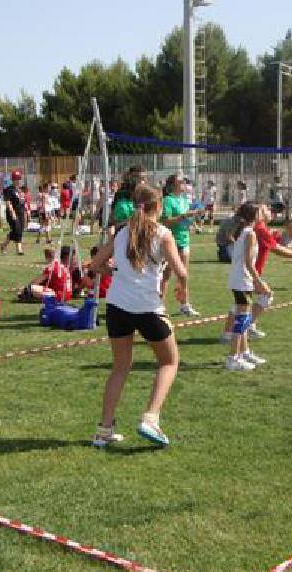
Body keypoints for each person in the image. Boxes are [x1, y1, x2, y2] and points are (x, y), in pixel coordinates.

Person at [88, 185, 187, 448]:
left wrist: (113, 272)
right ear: (159, 207)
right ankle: (151, 418)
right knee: (169, 361)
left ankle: (104, 430)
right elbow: (182, 271)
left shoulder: (122, 232)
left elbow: (95, 265)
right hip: (147, 308)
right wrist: (181, 288)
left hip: (118, 307)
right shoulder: (163, 234)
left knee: (120, 367)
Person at [219, 204, 292, 343]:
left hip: (244, 273)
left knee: (241, 303)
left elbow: (275, 242)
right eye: (265, 210)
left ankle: (232, 333)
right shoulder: (257, 229)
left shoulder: (257, 229)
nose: (270, 212)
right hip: (249, 273)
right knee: (263, 296)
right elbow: (276, 248)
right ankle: (241, 332)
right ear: (257, 215)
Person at [225, 202, 271, 371]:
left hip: (238, 279)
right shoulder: (250, 233)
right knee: (242, 320)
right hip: (242, 280)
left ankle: (244, 352)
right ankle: (233, 358)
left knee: (242, 318)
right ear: (254, 215)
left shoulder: (243, 231)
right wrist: (259, 282)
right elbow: (248, 263)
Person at [160, 175, 203, 317]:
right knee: (165, 275)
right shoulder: (167, 200)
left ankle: (184, 305)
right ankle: (160, 306)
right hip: (171, 241)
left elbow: (186, 219)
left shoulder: (184, 200)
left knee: (183, 275)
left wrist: (195, 217)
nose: (184, 183)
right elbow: (166, 221)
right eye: (181, 181)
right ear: (173, 184)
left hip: (184, 240)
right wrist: (184, 216)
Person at [0, 170, 27, 255]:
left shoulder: (21, 190)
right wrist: (12, 213)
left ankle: (4, 245)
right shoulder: (8, 189)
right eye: (16, 179)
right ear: (13, 179)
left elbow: (23, 202)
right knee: (17, 229)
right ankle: (19, 249)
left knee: (19, 230)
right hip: (12, 212)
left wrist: (26, 210)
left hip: (21, 212)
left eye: (19, 178)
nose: (18, 180)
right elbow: (8, 202)